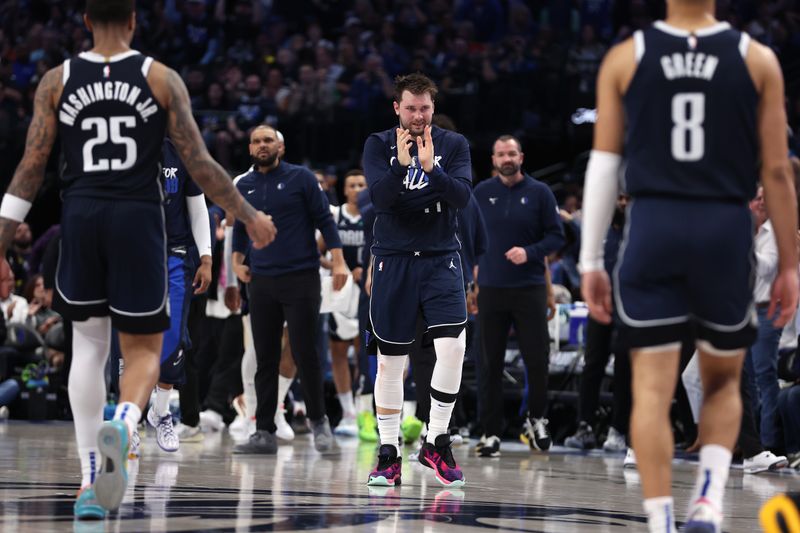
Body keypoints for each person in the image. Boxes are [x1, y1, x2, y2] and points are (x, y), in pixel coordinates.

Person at [0, 0, 275, 519]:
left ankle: (88, 483)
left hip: (80, 214)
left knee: (88, 346)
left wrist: (0, 247)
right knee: (144, 348)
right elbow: (202, 165)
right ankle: (125, 423)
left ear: (85, 21)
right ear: (132, 21)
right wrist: (249, 214)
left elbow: (29, 170)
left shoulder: (57, 80)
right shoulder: (161, 78)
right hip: (138, 219)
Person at [580, 1, 798, 531]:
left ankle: (659, 520)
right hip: (723, 227)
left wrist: (590, 259)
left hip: (655, 224)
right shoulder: (758, 59)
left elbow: (605, 165)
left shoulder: (626, 57)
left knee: (652, 388)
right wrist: (791, 260)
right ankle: (706, 501)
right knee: (724, 381)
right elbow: (775, 169)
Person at [362, 73, 472, 488]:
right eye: (410, 108)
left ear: (432, 109)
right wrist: (406, 167)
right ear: (397, 108)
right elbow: (382, 200)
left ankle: (436, 438)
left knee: (454, 348)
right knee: (391, 363)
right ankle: (388, 451)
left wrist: (432, 172)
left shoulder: (453, 145)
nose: (418, 115)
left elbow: (462, 197)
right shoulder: (377, 144)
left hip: (441, 259)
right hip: (393, 261)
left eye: (425, 108)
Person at [231, 124, 348, 455]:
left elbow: (326, 221)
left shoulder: (302, 178)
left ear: (280, 147)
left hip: (301, 277)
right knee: (264, 357)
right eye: (256, 141)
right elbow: (240, 228)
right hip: (263, 281)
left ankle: (319, 424)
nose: (262, 145)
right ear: (250, 148)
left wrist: (338, 261)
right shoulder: (244, 185)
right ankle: (263, 430)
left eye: (268, 140)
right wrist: (238, 262)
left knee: (304, 352)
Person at [472, 134, 565, 458]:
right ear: (494, 160)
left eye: (511, 153)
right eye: (501, 154)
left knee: (537, 360)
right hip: (491, 289)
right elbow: (468, 238)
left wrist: (530, 252)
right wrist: (472, 279)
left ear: (521, 157)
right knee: (488, 363)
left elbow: (557, 235)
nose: (506, 158)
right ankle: (490, 432)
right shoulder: (481, 193)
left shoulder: (540, 193)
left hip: (529, 288)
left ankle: (537, 420)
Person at [143, 138, 212, 454]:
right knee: (130, 338)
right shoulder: (122, 147)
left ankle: (161, 411)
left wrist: (207, 258)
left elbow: (197, 209)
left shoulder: (181, 154)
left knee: (174, 337)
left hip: (175, 253)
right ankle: (129, 418)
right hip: (134, 254)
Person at [564, 194, 631, 453]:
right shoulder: (598, 230)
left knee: (625, 369)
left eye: (627, 198)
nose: (622, 203)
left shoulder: (638, 229)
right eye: (619, 198)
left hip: (628, 311)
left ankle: (619, 430)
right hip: (600, 308)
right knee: (592, 365)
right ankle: (585, 426)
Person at [319, 169, 367, 437]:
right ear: (345, 189)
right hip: (341, 291)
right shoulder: (335, 216)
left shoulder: (374, 214)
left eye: (362, 184)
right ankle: (348, 411)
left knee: (364, 351)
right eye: (352, 185)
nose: (357, 189)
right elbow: (316, 252)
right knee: (338, 352)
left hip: (368, 290)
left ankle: (364, 410)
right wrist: (340, 267)